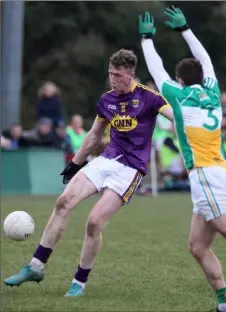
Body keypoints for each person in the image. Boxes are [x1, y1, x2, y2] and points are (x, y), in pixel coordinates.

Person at [4, 49, 173, 296]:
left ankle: (79, 282)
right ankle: (35, 266)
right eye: (110, 74)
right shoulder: (107, 100)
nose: (112, 80)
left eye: (117, 75)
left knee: (94, 223)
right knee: (63, 202)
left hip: (130, 169)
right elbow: (94, 135)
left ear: (130, 74)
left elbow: (176, 117)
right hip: (106, 160)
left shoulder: (150, 98)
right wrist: (76, 163)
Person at [139, 7, 226, 312]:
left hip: (205, 176)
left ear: (180, 81)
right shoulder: (212, 90)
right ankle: (225, 306)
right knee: (197, 246)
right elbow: (206, 59)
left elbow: (156, 70)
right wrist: (185, 31)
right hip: (220, 173)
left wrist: (146, 38)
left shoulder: (178, 97)